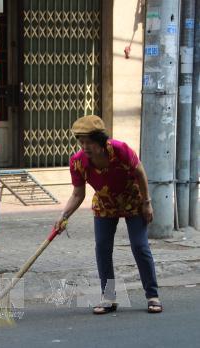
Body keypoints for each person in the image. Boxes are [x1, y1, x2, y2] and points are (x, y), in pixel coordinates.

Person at [54, 115, 162, 314]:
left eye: (90, 142)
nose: (85, 147)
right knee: (103, 248)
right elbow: (78, 194)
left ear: (101, 141)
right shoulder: (78, 162)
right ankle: (109, 297)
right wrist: (64, 215)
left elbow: (140, 173)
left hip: (133, 200)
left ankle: (152, 295)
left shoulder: (120, 150)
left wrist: (147, 203)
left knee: (139, 246)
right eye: (81, 142)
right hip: (105, 204)